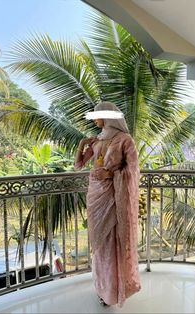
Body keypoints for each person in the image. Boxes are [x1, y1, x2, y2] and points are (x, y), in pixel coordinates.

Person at [74, 102, 141, 307]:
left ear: (109, 116)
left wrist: (111, 173)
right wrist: (82, 145)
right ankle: (102, 286)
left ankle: (113, 290)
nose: (94, 120)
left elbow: (134, 170)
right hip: (96, 196)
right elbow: (78, 166)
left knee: (113, 242)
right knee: (101, 244)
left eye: (97, 115)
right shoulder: (97, 140)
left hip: (114, 197)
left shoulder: (124, 140)